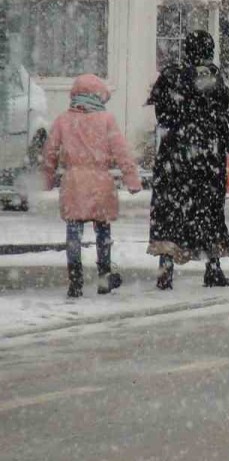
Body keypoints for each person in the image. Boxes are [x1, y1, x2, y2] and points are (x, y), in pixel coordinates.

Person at [146, 30, 229, 290]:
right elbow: (228, 123)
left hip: (173, 158)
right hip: (206, 157)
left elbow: (162, 117)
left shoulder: (169, 77)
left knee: (170, 211)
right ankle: (212, 267)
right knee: (208, 212)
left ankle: (166, 266)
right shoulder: (213, 79)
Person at [42, 74, 142, 298]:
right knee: (103, 231)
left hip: (73, 182)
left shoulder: (63, 120)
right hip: (100, 182)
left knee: (73, 232)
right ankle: (104, 276)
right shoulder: (106, 120)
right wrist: (131, 178)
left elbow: (50, 152)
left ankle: (75, 279)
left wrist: (47, 178)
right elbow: (121, 151)